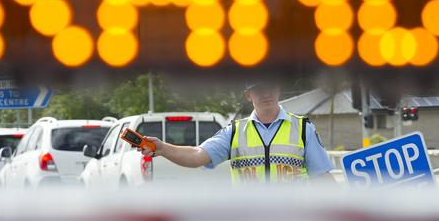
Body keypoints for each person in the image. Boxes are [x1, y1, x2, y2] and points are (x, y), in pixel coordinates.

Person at [138, 82, 335, 184]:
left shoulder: (302, 129)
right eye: (259, 89)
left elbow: (323, 179)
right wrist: (163, 148)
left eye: (270, 87)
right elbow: (197, 155)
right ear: (248, 95)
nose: (266, 93)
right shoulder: (234, 132)